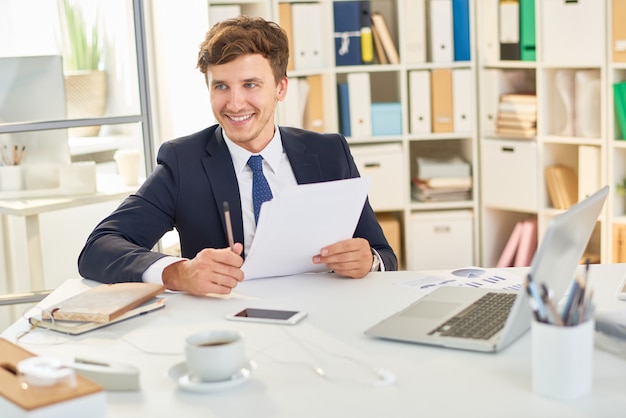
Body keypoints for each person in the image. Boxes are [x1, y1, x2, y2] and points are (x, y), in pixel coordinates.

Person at [77, 16, 397, 296]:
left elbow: (384, 254)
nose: (235, 103)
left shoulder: (329, 152)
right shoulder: (182, 162)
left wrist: (369, 260)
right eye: (221, 87)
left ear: (280, 88)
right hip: (233, 325)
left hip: (327, 319)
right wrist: (177, 272)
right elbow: (99, 247)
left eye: (250, 84)